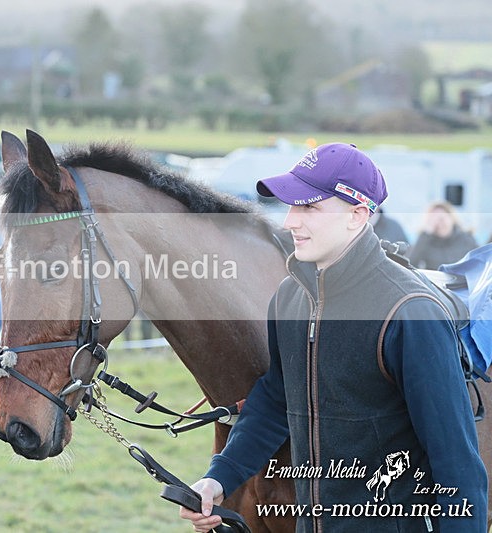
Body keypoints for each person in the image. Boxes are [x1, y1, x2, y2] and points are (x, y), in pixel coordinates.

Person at [179, 143, 487, 532]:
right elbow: (277, 399)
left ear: (357, 215)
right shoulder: (289, 299)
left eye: (308, 207)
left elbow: (457, 463)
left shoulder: (411, 313)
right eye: (290, 206)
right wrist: (220, 478)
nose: (290, 221)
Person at [408, 201, 477, 270]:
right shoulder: (426, 241)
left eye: (441, 219)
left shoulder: (466, 239)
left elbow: (479, 262)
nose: (439, 224)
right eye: (434, 220)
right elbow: (410, 264)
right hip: (434, 280)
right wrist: (426, 234)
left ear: (451, 218)